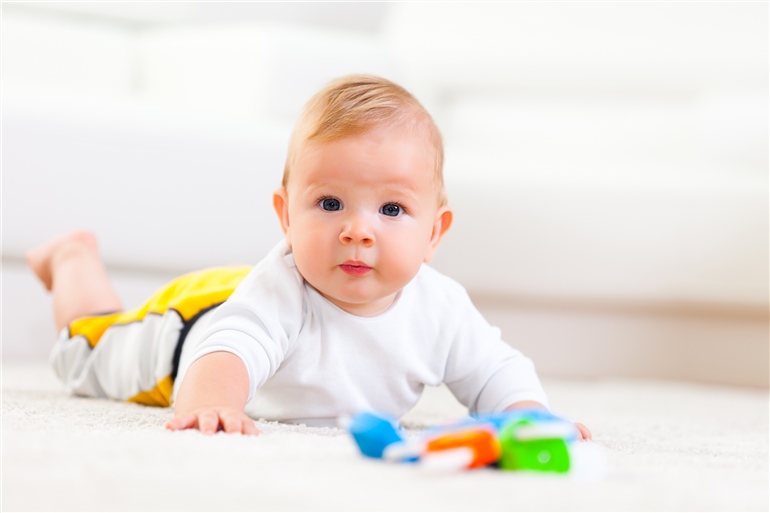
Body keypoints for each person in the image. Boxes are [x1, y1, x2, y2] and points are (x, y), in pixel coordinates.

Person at [27, 74, 591, 440]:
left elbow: (493, 368)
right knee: (86, 350)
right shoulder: (283, 292)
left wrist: (525, 413)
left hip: (239, 296)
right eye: (328, 203)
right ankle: (73, 258)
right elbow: (231, 346)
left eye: (392, 210)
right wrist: (213, 404)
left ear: (434, 233)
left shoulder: (440, 307)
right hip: (191, 327)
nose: (357, 231)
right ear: (286, 216)